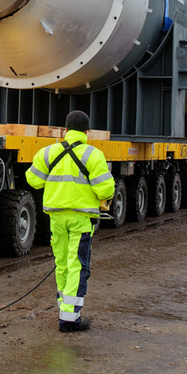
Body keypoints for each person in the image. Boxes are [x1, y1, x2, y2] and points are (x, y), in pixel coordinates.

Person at [26, 110, 115, 333]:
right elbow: (106, 189)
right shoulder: (93, 155)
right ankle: (69, 319)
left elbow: (33, 180)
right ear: (87, 132)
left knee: (63, 263)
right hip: (81, 219)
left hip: (56, 218)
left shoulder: (48, 152)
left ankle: (65, 309)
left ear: (65, 130)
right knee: (77, 266)